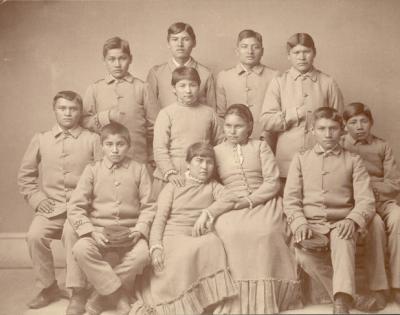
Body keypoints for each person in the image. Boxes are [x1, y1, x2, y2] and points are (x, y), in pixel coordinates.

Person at [283, 107, 376, 314]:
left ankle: (341, 302)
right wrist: (299, 222)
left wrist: (352, 220)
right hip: (311, 223)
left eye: (333, 128)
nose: (327, 134)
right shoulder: (301, 158)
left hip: (341, 221)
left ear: (342, 130)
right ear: (313, 130)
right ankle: (354, 296)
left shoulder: (353, 160)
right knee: (302, 255)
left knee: (343, 239)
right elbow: (291, 199)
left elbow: (365, 200)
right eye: (322, 128)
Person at [212, 104, 301, 314]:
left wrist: (250, 200)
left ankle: (271, 296)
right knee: (229, 231)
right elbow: (212, 183)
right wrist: (225, 201)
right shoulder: (216, 151)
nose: (232, 131)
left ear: (250, 127)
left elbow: (272, 182)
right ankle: (237, 298)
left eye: (239, 126)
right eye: (228, 126)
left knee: (267, 230)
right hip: (230, 204)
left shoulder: (260, 147)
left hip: (263, 200)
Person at [17, 91, 100, 311]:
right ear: (54, 110)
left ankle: (78, 292)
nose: (68, 113)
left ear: (80, 111)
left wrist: (89, 203)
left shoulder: (92, 139)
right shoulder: (42, 138)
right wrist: (37, 199)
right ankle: (49, 287)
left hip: (81, 210)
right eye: (62, 108)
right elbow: (26, 176)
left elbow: (103, 176)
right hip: (51, 208)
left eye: (73, 109)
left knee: (72, 234)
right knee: (34, 236)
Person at [131, 142, 237, 315]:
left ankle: (204, 303)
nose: (204, 167)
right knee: (183, 255)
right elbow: (159, 220)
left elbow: (230, 198)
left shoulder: (212, 186)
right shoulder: (174, 186)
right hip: (173, 234)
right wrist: (156, 247)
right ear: (188, 163)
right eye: (199, 160)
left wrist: (207, 212)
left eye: (209, 162)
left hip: (197, 234)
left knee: (213, 243)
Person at [68, 123, 155, 315]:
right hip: (100, 231)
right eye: (109, 144)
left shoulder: (139, 169)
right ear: (102, 146)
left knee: (142, 256)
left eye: (120, 144)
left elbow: (149, 206)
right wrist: (91, 231)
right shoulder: (92, 170)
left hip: (130, 232)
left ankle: (100, 295)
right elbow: (75, 207)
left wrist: (140, 229)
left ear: (128, 145)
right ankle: (118, 295)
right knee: (81, 249)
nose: (115, 150)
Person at [260, 33, 344, 181]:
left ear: (314, 53)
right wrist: (295, 114)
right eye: (296, 52)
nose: (301, 57)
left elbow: (340, 124)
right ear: (288, 56)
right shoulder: (279, 82)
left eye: (306, 52)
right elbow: (266, 121)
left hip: (323, 157)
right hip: (287, 160)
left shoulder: (328, 82)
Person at [342, 102, 400, 307]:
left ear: (371, 123)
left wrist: (370, 188)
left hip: (384, 200)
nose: (359, 126)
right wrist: (362, 193)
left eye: (364, 121)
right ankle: (379, 286)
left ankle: (397, 284)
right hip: (357, 203)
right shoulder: (340, 145)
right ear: (345, 125)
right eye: (353, 122)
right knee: (374, 224)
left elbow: (393, 183)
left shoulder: (382, 146)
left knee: (398, 218)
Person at [82, 36, 157, 165]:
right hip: (105, 160)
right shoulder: (94, 89)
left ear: (130, 59)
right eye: (111, 59)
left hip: (137, 158)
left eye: (122, 58)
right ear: (104, 61)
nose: (117, 64)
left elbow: (154, 127)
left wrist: (152, 157)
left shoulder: (143, 87)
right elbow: (83, 122)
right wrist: (105, 116)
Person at [152, 66, 223, 196]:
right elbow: (159, 149)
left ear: (199, 87)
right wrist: (170, 173)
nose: (188, 90)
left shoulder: (209, 113)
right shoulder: (166, 113)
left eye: (193, 85)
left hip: (201, 172)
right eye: (182, 86)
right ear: (174, 89)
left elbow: (220, 145)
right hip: (173, 173)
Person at [216, 29, 278, 149]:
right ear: (237, 51)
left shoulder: (274, 76)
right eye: (244, 47)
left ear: (262, 51)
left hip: (265, 140)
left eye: (255, 47)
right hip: (232, 141)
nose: (250, 52)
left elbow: (276, 114)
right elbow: (220, 114)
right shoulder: (224, 76)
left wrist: (266, 137)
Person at [146, 22, 216, 111]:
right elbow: (150, 111)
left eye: (186, 39)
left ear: (194, 43)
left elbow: (211, 111)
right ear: (168, 43)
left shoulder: (206, 73)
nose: (180, 44)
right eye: (174, 39)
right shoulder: (156, 73)